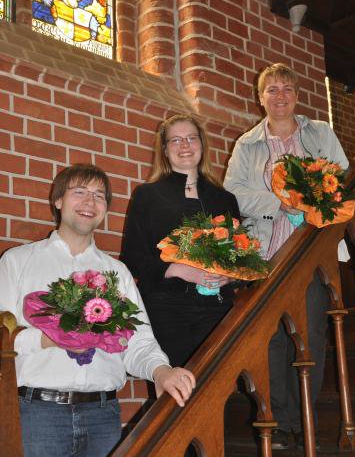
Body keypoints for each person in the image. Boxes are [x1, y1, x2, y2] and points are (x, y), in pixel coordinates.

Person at [0, 163, 195, 457]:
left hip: (103, 417)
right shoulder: (16, 261)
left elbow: (138, 340)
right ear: (58, 200)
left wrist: (162, 371)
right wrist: (48, 338)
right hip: (37, 416)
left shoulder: (118, 273)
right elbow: (3, 336)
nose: (90, 202)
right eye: (79, 192)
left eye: (99, 196)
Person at [224, 63, 349, 450]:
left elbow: (341, 178)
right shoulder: (247, 145)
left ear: (296, 95)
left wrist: (311, 198)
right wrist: (281, 201)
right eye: (271, 90)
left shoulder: (320, 133)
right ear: (260, 98)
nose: (280, 96)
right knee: (274, 341)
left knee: (309, 336)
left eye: (287, 89)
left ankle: (305, 419)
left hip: (313, 252)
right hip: (267, 254)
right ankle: (278, 421)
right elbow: (233, 194)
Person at [121, 114, 241, 368]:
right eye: (175, 140)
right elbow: (133, 259)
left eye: (190, 138)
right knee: (176, 393)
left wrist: (229, 276)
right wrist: (178, 269)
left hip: (217, 310)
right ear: (164, 150)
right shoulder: (147, 195)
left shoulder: (225, 199)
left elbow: (240, 257)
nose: (184, 146)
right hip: (166, 308)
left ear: (202, 145)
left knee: (216, 386)